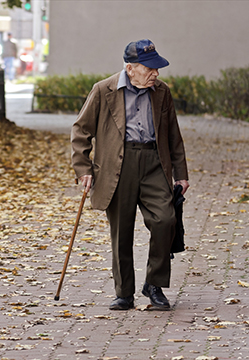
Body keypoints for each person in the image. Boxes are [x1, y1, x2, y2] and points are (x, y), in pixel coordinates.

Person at [71, 39, 190, 311]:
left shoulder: (161, 92)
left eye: (156, 68)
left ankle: (154, 285)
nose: (155, 73)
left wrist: (180, 173)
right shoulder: (104, 90)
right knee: (121, 231)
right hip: (117, 164)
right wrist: (83, 169)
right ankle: (124, 293)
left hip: (153, 163)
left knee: (165, 220)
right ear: (130, 68)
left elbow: (173, 135)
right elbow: (81, 131)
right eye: (149, 68)